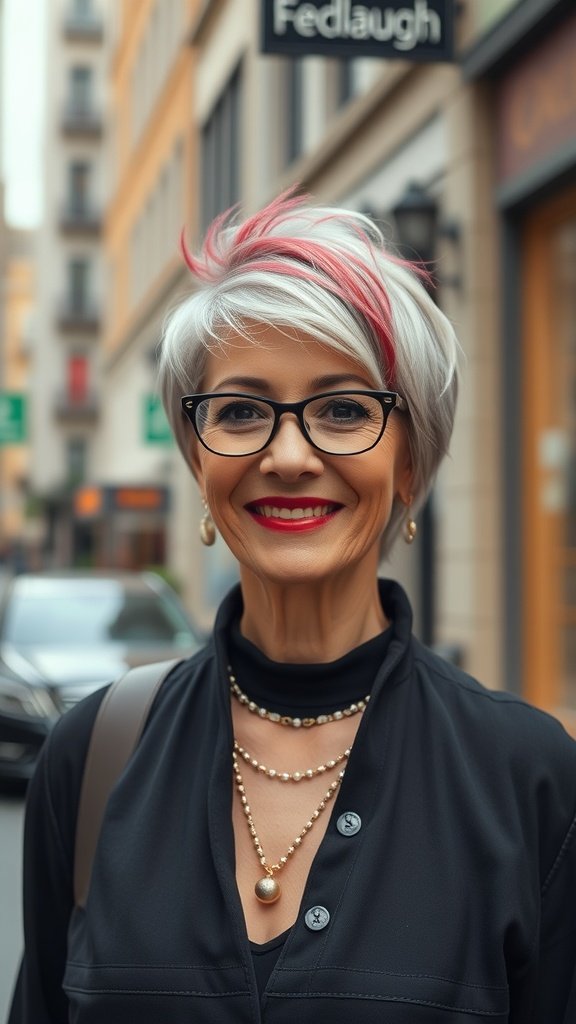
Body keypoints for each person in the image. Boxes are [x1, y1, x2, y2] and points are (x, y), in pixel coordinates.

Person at [9, 190, 576, 1023]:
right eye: (240, 412)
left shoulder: (529, 777)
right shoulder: (93, 757)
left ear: (409, 461)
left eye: (343, 410)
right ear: (198, 460)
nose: (287, 454)